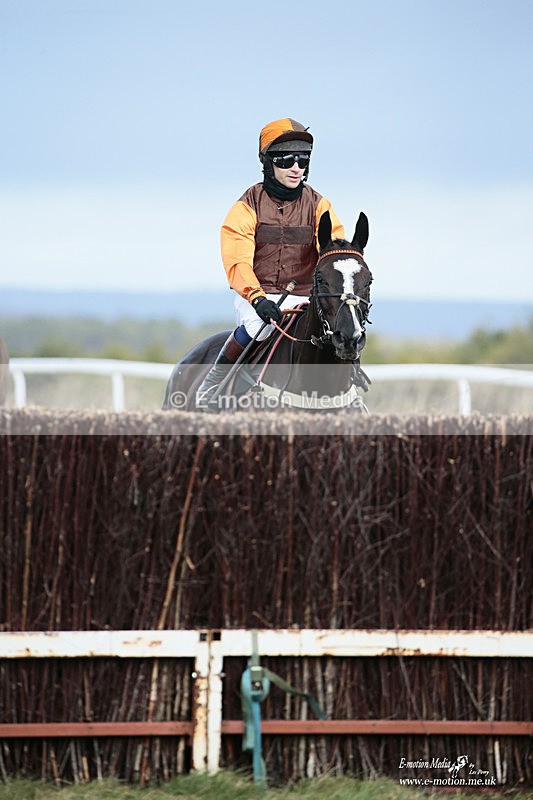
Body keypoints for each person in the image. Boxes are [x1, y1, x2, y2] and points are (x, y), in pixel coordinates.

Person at [196, 117, 344, 406]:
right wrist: (257, 297)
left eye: (302, 161)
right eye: (287, 160)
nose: (296, 168)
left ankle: (349, 396)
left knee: (338, 333)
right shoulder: (245, 207)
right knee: (258, 328)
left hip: (305, 297)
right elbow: (237, 260)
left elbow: (332, 256)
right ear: (268, 162)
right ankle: (211, 388)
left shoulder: (321, 206)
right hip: (258, 296)